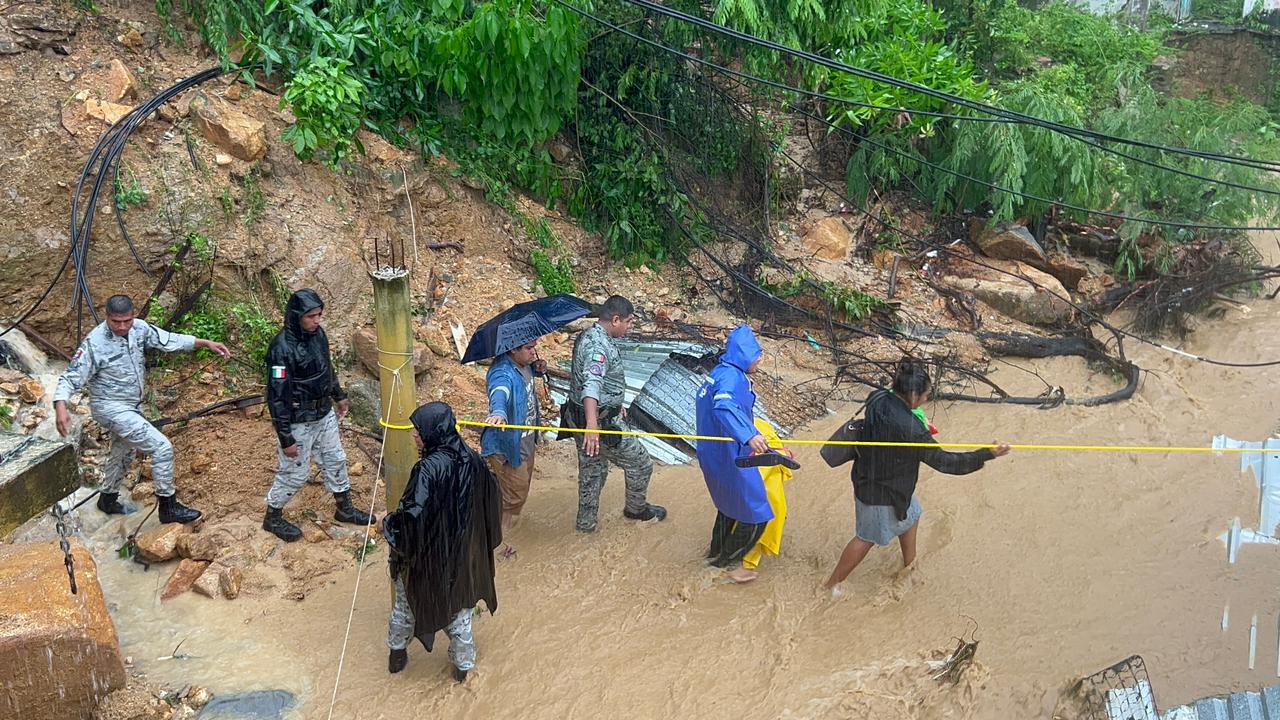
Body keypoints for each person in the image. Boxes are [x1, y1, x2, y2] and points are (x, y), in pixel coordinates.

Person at [822, 359, 1010, 592]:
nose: (926, 399)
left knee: (912, 515)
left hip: (882, 480)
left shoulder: (877, 397)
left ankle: (909, 567)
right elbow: (947, 463)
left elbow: (893, 423)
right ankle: (830, 586)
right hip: (878, 491)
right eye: (925, 395)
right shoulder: (911, 430)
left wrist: (917, 420)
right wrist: (987, 454)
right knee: (865, 537)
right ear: (912, 394)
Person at [53, 294, 229, 523]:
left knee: (123, 452)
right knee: (161, 447)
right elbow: (69, 377)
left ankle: (107, 499)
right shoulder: (95, 344)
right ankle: (168, 506)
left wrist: (204, 343)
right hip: (109, 407)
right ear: (107, 317)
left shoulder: (138, 328)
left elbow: (167, 339)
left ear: (133, 316)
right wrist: (61, 407)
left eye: (127, 321)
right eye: (117, 322)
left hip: (130, 405)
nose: (123, 327)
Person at [383, 402, 501, 682]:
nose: (414, 436)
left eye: (418, 431)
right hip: (462, 559)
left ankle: (396, 659)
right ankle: (462, 671)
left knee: (406, 607)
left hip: (427, 560)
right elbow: (493, 499)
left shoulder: (426, 470)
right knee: (460, 615)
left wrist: (387, 524)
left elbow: (412, 518)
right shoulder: (473, 459)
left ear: (433, 433)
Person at [262, 289, 373, 542]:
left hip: (323, 413)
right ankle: (273, 516)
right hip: (297, 419)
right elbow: (276, 396)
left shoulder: (318, 335)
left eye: (319, 315)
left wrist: (339, 394)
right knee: (295, 472)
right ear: (297, 316)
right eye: (311, 316)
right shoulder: (281, 349)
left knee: (335, 459)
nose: (316, 320)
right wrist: (286, 437)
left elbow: (326, 368)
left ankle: (344, 508)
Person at [565, 295, 666, 533]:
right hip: (599, 422)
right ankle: (636, 509)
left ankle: (585, 524)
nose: (629, 327)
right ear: (616, 319)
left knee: (592, 470)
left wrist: (614, 402)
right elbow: (591, 384)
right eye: (628, 322)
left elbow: (588, 379)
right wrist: (593, 424)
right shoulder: (598, 347)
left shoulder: (588, 336)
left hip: (580, 415)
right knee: (641, 463)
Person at [694, 325, 774, 583]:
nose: (759, 359)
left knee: (728, 506)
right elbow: (725, 405)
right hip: (731, 454)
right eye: (755, 355)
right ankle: (725, 568)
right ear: (743, 355)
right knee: (757, 514)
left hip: (714, 453)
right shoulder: (731, 379)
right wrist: (749, 435)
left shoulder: (720, 372)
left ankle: (714, 556)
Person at [481, 339, 546, 559]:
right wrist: (498, 411)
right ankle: (496, 544)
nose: (533, 352)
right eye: (528, 348)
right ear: (512, 349)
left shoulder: (524, 363)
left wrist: (537, 370)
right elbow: (500, 392)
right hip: (506, 447)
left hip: (525, 441)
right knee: (514, 497)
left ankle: (502, 526)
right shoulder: (501, 372)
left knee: (518, 491)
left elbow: (526, 380)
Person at [740, 418, 795, 574]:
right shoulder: (758, 425)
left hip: (759, 465)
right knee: (764, 512)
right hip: (760, 466)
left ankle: (741, 561)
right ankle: (745, 563)